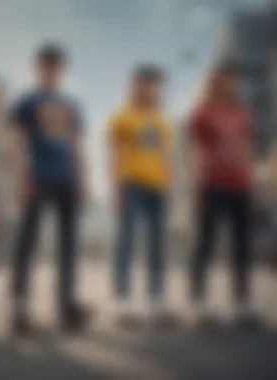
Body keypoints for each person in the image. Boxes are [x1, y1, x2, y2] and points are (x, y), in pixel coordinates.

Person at [9, 43, 89, 334]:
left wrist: (83, 180)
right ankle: (20, 307)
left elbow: (77, 146)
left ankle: (66, 305)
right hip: (38, 177)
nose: (52, 69)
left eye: (57, 65)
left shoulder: (71, 104)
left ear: (61, 69)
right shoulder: (27, 100)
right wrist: (20, 177)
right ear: (39, 67)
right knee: (27, 241)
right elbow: (17, 141)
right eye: (47, 64)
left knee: (68, 246)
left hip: (67, 178)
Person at [189, 62, 258, 328]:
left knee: (242, 245)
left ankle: (242, 303)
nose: (230, 82)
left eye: (233, 78)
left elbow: (246, 149)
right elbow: (195, 151)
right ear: (214, 80)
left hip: (240, 184)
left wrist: (250, 181)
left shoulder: (241, 113)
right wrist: (197, 185)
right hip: (212, 183)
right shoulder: (202, 112)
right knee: (205, 244)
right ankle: (199, 303)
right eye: (225, 77)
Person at [108, 65, 174, 327]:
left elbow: (165, 157)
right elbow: (115, 153)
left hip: (157, 187)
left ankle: (156, 299)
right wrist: (116, 187)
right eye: (145, 82)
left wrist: (168, 188)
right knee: (127, 240)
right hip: (131, 184)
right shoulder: (122, 116)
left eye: (154, 83)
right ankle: (122, 300)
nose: (149, 87)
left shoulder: (162, 119)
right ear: (135, 85)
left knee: (157, 243)